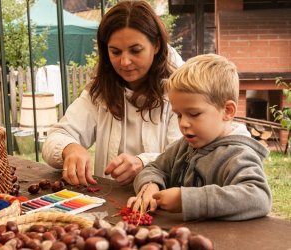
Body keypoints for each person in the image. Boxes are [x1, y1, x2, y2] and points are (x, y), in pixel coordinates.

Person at [42, 0, 184, 186]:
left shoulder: (181, 92)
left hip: (163, 205)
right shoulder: (100, 92)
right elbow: (55, 137)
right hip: (108, 204)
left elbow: (185, 156)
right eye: (115, 52)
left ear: (156, 45)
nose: (125, 62)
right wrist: (69, 148)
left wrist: (144, 163)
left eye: (135, 50)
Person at [128, 54, 272, 221]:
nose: (183, 124)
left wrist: (187, 199)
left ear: (227, 111)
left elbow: (258, 197)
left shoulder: (238, 155)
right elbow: (155, 168)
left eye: (194, 114)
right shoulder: (183, 146)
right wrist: (150, 185)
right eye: (179, 115)